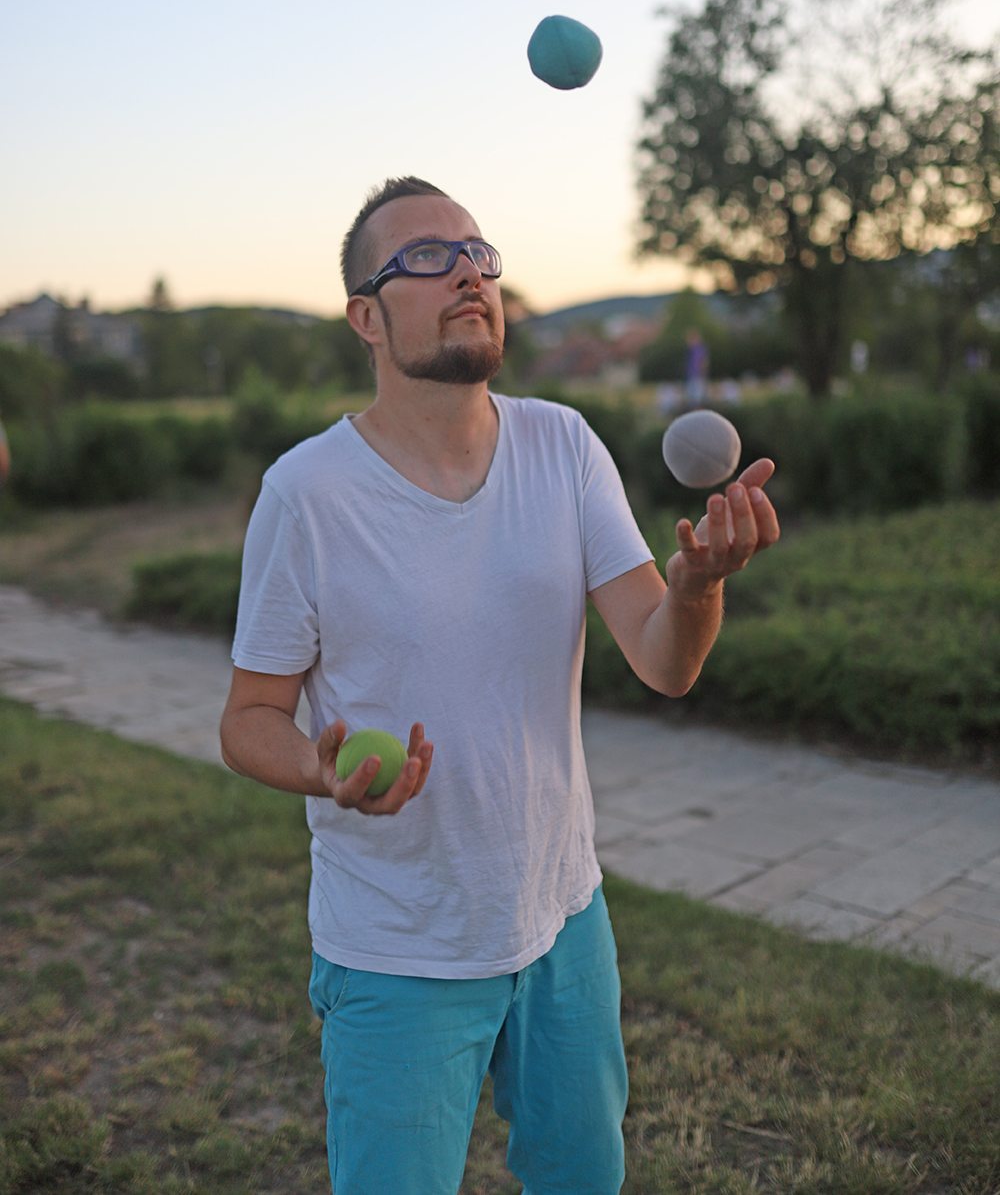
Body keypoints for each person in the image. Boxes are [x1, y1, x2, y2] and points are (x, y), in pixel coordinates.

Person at [220, 176, 781, 1195]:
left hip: (563, 921)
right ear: (366, 317)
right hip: (396, 946)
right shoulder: (305, 495)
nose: (468, 272)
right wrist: (321, 767)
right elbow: (248, 719)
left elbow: (665, 660)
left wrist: (697, 585)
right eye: (426, 259)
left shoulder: (561, 446)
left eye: (478, 253)